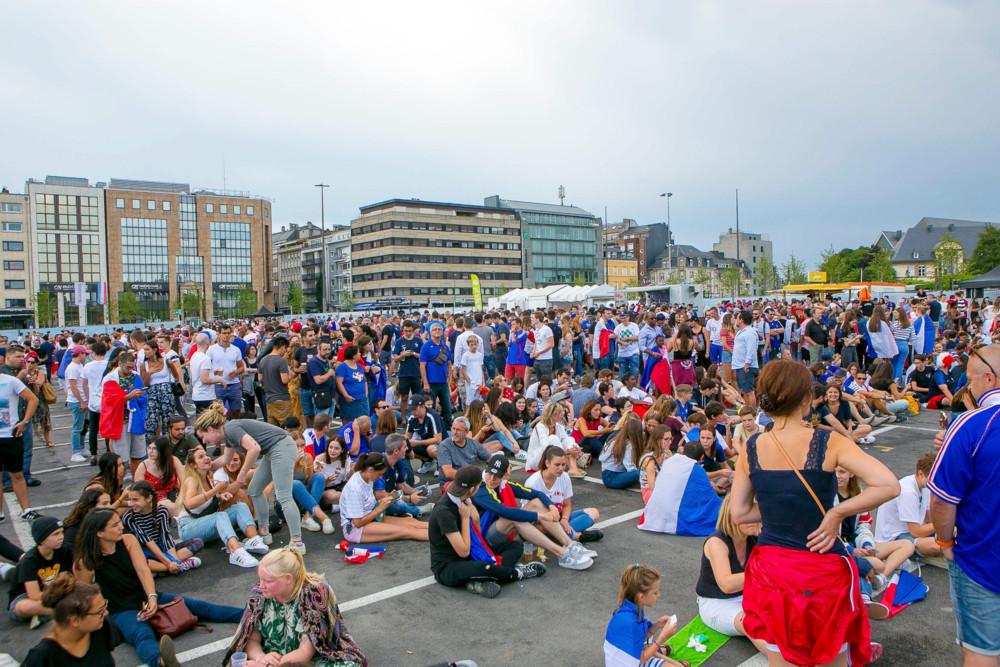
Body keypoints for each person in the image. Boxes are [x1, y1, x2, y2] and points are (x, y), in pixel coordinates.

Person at [730, 359, 899, 667]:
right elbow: (887, 485)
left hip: (773, 569)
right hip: (821, 569)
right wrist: (837, 514)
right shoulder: (827, 440)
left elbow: (739, 513)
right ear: (806, 399)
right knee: (830, 653)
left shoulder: (752, 446)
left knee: (780, 654)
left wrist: (775, 509)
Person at [72, 508, 245, 667]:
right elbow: (86, 595)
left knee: (200, 606)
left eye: (119, 522)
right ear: (99, 533)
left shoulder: (128, 540)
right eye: (115, 525)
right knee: (142, 636)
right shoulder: (84, 563)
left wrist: (152, 598)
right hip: (121, 610)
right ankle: (161, 662)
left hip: (145, 596)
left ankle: (249, 614)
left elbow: (143, 570)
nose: (120, 527)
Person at [929, 343, 1000, 665]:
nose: (968, 388)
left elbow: (942, 500)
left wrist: (944, 541)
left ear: (989, 378)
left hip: (983, 559)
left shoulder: (972, 423)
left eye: (970, 381)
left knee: (981, 652)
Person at [225, 548, 368, 667]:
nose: (261, 585)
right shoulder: (260, 594)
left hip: (311, 660)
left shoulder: (314, 593)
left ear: (288, 579)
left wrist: (268, 666)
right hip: (272, 657)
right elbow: (251, 639)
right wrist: (260, 658)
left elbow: (304, 654)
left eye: (268, 581)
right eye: (260, 579)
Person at [195, 403, 305, 553]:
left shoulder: (231, 429)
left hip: (282, 447)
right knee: (255, 489)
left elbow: (254, 448)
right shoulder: (228, 434)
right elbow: (225, 459)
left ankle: (297, 542)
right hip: (272, 450)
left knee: (283, 496)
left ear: (209, 429)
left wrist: (242, 473)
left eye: (202, 437)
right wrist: (209, 465)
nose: (203, 441)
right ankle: (264, 532)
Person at [428, 465, 545, 598]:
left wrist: (476, 518)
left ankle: (479, 580)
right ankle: (516, 573)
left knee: (516, 546)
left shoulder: (465, 499)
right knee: (484, 567)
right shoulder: (444, 512)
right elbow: (463, 551)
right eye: (479, 484)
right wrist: (466, 519)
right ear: (473, 489)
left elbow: (477, 539)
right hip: (448, 566)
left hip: (471, 554)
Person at [474, 453, 594, 570]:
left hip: (499, 529)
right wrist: (539, 516)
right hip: (482, 536)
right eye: (490, 473)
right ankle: (562, 554)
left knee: (537, 503)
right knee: (515, 518)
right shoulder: (480, 488)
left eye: (497, 476)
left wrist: (551, 506)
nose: (492, 478)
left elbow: (536, 494)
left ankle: (570, 544)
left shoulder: (503, 485)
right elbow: (504, 511)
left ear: (505, 475)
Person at [178, 448, 268, 568]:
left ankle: (253, 539)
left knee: (240, 506)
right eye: (201, 457)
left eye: (206, 455)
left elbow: (207, 501)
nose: (206, 457)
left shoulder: (208, 476)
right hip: (188, 528)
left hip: (207, 524)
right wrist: (216, 490)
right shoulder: (192, 480)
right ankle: (236, 552)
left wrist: (220, 496)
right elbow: (189, 503)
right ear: (193, 465)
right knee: (220, 516)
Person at [695, 495, 758, 637]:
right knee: (753, 624)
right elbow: (726, 584)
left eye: (755, 515)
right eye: (748, 516)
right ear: (731, 518)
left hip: (746, 595)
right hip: (717, 602)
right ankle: (780, 658)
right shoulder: (717, 543)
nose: (753, 520)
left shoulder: (755, 537)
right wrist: (762, 573)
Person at [603, 564, 683, 667]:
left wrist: (656, 625)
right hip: (634, 660)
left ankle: (656, 652)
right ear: (641, 597)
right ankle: (656, 651)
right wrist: (663, 636)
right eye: (655, 592)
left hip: (628, 656)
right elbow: (642, 659)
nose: (659, 595)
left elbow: (638, 637)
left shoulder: (629, 606)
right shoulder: (631, 622)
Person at [340, 453, 429, 543]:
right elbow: (357, 523)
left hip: (369, 516)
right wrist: (380, 508)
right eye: (379, 474)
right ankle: (441, 538)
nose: (380, 477)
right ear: (370, 470)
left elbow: (368, 503)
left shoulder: (366, 477)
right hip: (355, 529)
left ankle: (442, 528)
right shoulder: (355, 489)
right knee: (407, 530)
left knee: (409, 521)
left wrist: (389, 498)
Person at [874, 451, 945, 560]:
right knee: (941, 545)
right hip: (894, 538)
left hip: (909, 534)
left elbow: (928, 518)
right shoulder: (908, 492)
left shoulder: (925, 486)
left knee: (953, 535)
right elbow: (916, 532)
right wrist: (943, 524)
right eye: (934, 478)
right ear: (921, 474)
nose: (937, 482)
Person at [525, 445, 603, 544]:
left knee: (594, 512)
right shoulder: (533, 482)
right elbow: (528, 516)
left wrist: (565, 520)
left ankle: (562, 535)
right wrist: (551, 522)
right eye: (557, 465)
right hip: (541, 522)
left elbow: (567, 505)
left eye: (563, 465)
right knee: (537, 528)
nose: (561, 468)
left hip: (560, 517)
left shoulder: (565, 477)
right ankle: (577, 536)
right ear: (547, 463)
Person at [123, 480, 202, 574]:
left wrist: (174, 560)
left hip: (161, 548)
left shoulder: (162, 511)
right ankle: (177, 567)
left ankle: (165, 567)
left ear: (148, 498)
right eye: (130, 500)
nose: (131, 503)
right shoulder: (129, 518)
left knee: (198, 542)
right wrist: (169, 563)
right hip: (143, 552)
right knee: (138, 562)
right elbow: (148, 542)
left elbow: (166, 536)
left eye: (135, 500)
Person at [8, 516, 73, 624]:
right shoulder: (29, 561)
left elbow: (62, 580)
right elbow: (33, 595)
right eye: (55, 534)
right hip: (26, 596)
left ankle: (47, 614)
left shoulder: (63, 551)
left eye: (62, 533)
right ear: (42, 540)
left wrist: (62, 593)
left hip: (51, 592)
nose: (61, 537)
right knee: (24, 607)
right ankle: (61, 611)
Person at [0, 359, 38, 522]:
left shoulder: (10, 381)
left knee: (17, 474)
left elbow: (33, 399)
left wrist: (25, 422)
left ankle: (26, 510)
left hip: (11, 436)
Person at [98, 352, 147, 478]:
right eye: (127, 367)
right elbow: (108, 401)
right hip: (119, 422)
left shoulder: (136, 377)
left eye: (132, 367)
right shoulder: (110, 378)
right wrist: (127, 397)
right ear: (120, 364)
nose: (130, 370)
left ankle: (137, 483)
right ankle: (118, 484)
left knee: (137, 455)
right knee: (121, 459)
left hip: (135, 420)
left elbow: (143, 398)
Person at [133, 436, 184, 516]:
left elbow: (184, 481)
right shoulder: (143, 466)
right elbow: (138, 491)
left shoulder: (173, 460)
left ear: (163, 450)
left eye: (155, 449)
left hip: (173, 495)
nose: (150, 451)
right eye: (149, 448)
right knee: (169, 506)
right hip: (152, 500)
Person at [206, 324, 246, 419]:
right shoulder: (212, 350)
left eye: (228, 333)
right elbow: (207, 366)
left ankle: (234, 428)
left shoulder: (236, 350)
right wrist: (213, 373)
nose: (226, 335)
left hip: (234, 384)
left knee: (236, 410)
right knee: (217, 411)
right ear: (219, 334)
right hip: (218, 384)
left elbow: (241, 367)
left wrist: (236, 372)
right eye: (224, 333)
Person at [436, 416, 491, 484]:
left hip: (469, 481)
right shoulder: (444, 446)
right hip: (451, 483)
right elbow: (449, 473)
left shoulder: (473, 443)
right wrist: (473, 477)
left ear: (466, 432)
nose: (454, 432)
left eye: (458, 430)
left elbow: (489, 458)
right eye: (453, 429)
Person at [420, 322, 454, 430]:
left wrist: (448, 376)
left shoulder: (445, 347)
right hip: (431, 382)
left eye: (439, 329)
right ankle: (430, 428)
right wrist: (425, 382)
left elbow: (449, 363)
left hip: (443, 382)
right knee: (430, 407)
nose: (437, 331)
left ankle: (448, 428)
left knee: (447, 407)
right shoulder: (426, 347)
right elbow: (422, 365)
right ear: (430, 332)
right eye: (435, 329)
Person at [61, 488, 113, 554]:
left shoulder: (110, 522)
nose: (110, 507)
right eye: (104, 503)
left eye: (110, 503)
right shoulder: (73, 532)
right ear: (90, 509)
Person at [599, 417, 643, 489]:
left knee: (641, 472)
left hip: (607, 475)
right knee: (642, 472)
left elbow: (601, 457)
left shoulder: (617, 439)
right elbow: (629, 466)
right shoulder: (628, 443)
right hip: (612, 477)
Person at [259, 336, 293, 427]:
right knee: (288, 427)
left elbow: (260, 378)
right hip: (282, 398)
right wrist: (291, 375)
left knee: (273, 428)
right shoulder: (281, 361)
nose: (285, 352)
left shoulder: (263, 360)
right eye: (285, 349)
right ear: (282, 347)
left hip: (269, 398)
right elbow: (284, 380)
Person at [405, 395, 442, 474]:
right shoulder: (412, 418)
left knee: (431, 449)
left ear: (422, 407)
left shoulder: (432, 415)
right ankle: (427, 460)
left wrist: (418, 442)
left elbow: (438, 439)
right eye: (411, 410)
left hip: (440, 445)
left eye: (415, 409)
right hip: (424, 443)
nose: (412, 412)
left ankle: (442, 463)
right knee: (404, 447)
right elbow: (406, 437)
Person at [731, 311, 759, 408]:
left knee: (749, 391)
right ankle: (747, 410)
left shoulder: (750, 333)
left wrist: (747, 364)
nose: (736, 321)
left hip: (746, 366)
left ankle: (752, 413)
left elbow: (751, 349)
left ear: (741, 320)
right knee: (744, 390)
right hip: (739, 365)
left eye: (737, 318)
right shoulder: (741, 332)